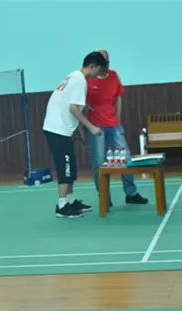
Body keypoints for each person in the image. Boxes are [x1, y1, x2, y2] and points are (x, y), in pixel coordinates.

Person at [43, 51, 108, 218]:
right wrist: (91, 128)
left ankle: (70, 201)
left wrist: (79, 133)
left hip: (61, 128)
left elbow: (71, 108)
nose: (98, 74)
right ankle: (62, 206)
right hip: (57, 129)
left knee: (70, 165)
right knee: (65, 167)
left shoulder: (73, 76)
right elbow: (73, 109)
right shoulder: (80, 81)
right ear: (92, 66)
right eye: (98, 70)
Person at [84, 49, 148, 205]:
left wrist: (117, 118)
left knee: (126, 158)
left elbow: (118, 97)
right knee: (99, 162)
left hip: (114, 124)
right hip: (96, 126)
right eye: (102, 62)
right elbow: (78, 100)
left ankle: (131, 193)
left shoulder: (114, 75)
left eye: (107, 62)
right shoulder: (88, 79)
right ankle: (104, 196)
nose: (105, 65)